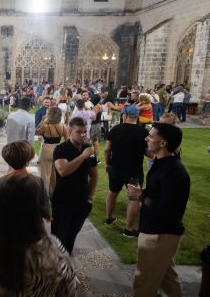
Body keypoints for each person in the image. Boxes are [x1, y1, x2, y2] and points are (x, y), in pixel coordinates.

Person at [99, 123, 189, 297]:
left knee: (144, 277)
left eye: (150, 136)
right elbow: (159, 195)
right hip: (157, 230)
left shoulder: (174, 172)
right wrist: (144, 193)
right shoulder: (162, 163)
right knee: (167, 276)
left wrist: (141, 195)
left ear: (163, 142)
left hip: (160, 233)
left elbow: (168, 210)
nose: (146, 139)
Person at [51, 116, 98, 254]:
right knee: (59, 238)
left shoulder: (88, 149)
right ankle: (55, 269)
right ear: (70, 131)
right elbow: (63, 171)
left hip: (81, 201)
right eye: (79, 132)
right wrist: (83, 156)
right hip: (62, 201)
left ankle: (66, 267)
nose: (83, 135)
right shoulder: (61, 149)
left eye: (85, 131)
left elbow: (94, 176)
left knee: (71, 237)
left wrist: (89, 196)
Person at [103, 105, 150, 237]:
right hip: (134, 170)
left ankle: (108, 218)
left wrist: (107, 163)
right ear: (136, 117)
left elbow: (107, 149)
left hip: (115, 167)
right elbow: (148, 152)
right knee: (134, 198)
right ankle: (129, 229)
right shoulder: (143, 132)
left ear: (125, 115)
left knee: (113, 191)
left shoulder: (115, 129)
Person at [0, 140, 51, 221]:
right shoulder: (39, 182)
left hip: (5, 228)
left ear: (8, 161)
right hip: (32, 229)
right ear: (28, 160)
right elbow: (46, 212)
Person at [36, 106, 67, 195]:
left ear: (49, 115)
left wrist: (42, 121)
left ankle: (45, 197)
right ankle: (53, 195)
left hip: (46, 150)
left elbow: (37, 132)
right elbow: (67, 140)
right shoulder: (63, 126)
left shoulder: (45, 126)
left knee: (45, 176)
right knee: (54, 176)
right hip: (58, 150)